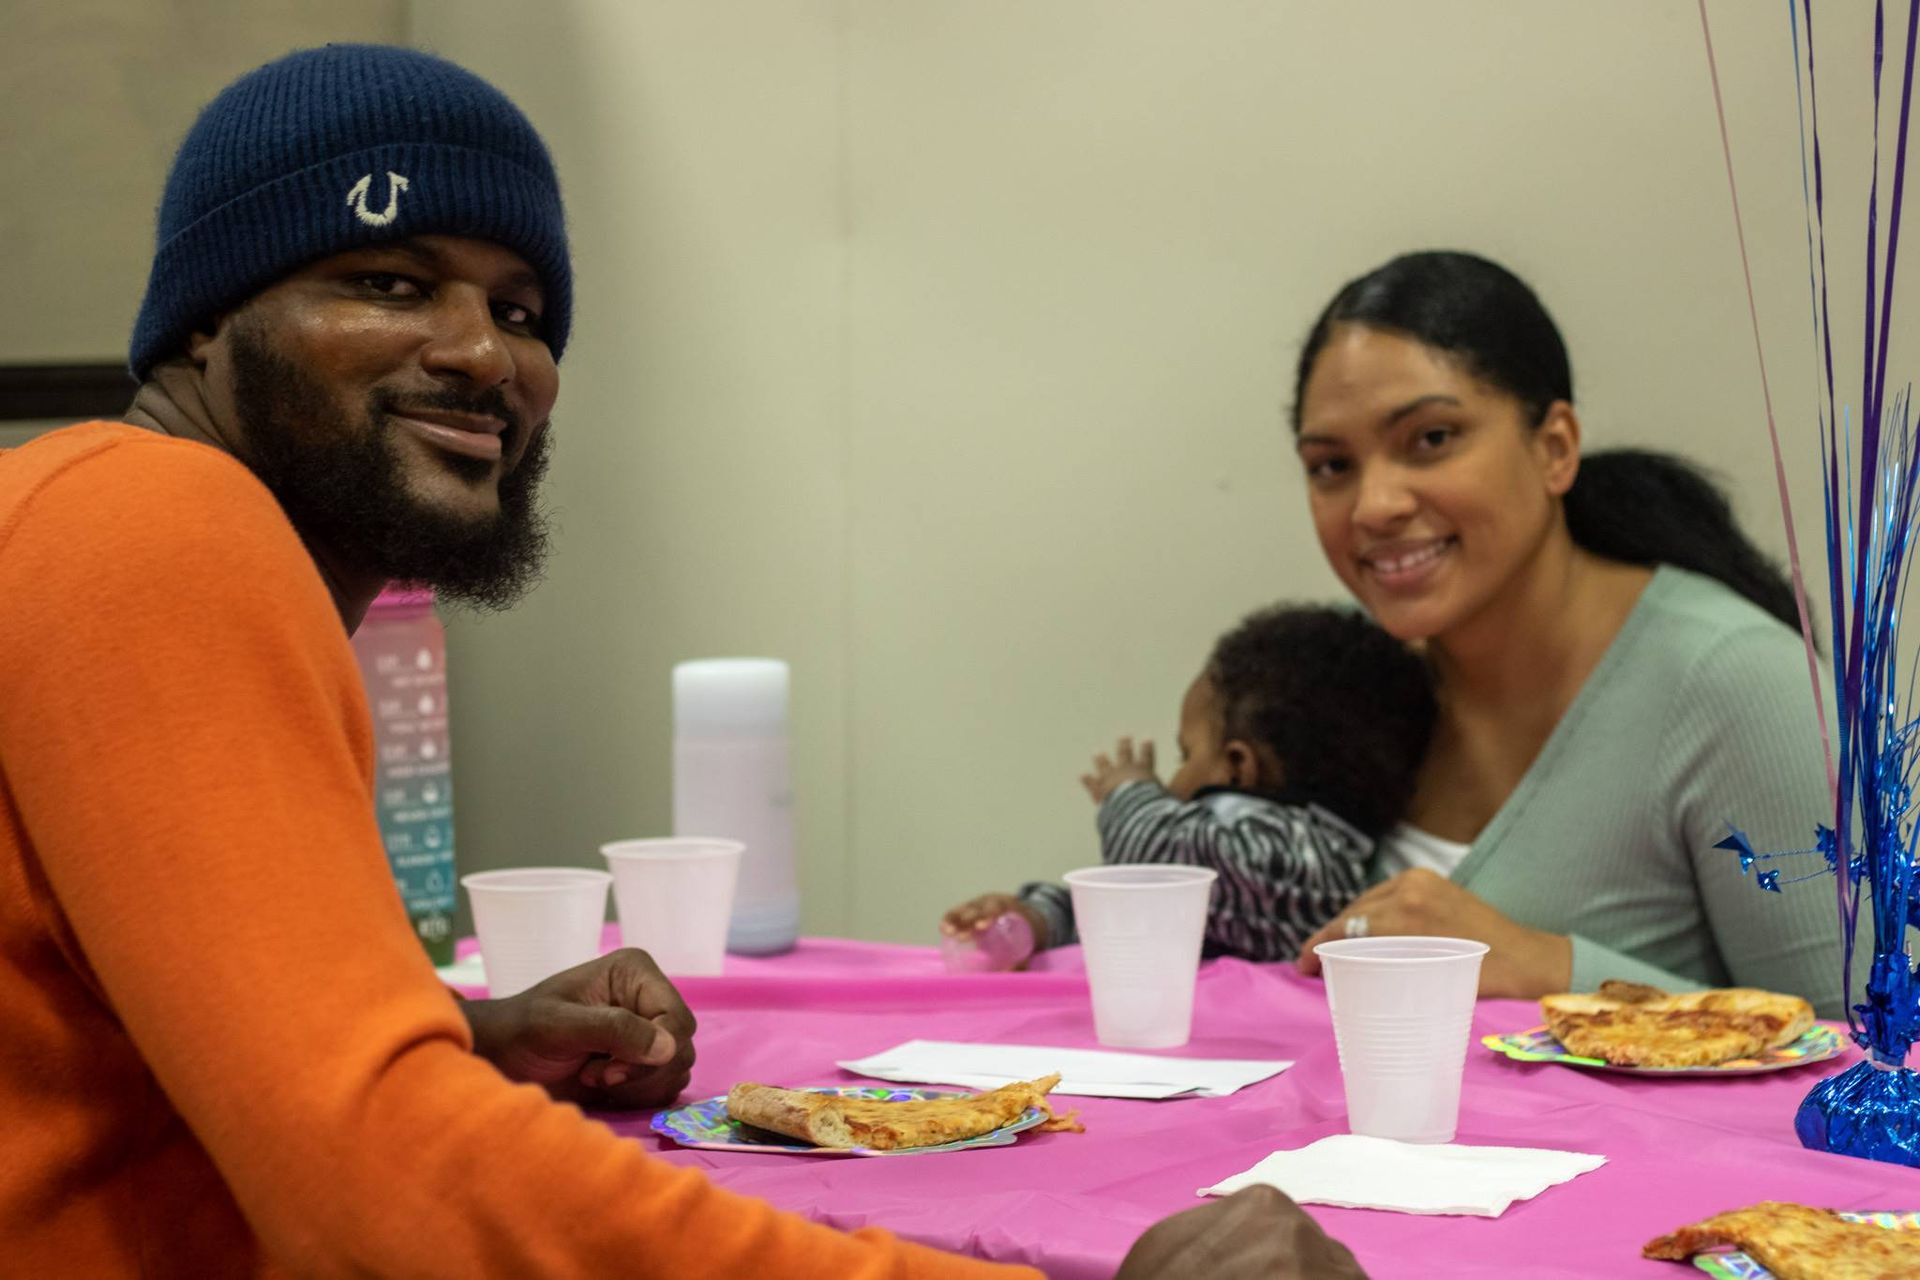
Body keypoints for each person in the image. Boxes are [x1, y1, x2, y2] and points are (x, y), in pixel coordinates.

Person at [0, 43, 1366, 1278]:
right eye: (387, 281)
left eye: (525, 310)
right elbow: (383, 1185)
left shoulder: (126, 531)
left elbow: (122, 1053)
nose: (483, 354)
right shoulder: (156, 524)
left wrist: (464, 1037)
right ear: (202, 317)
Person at [1281, 250, 1842, 1017]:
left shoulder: (1741, 684)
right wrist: (1050, 914)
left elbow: (1881, 1066)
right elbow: (1186, 864)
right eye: (1332, 465)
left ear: (1555, 448)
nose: (1373, 504)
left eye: (1432, 438)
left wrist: (1554, 967)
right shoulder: (1335, 672)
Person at [943, 605, 1435, 963]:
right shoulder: (1225, 861)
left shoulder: (1311, 861)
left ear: (1238, 767)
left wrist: (1130, 792)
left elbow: (1162, 853)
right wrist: (1032, 921)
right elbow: (1123, 912)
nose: (1171, 780)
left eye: (1187, 754)